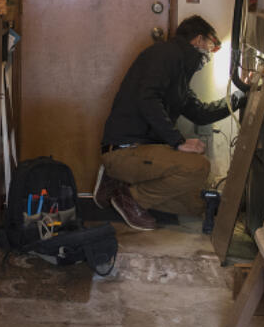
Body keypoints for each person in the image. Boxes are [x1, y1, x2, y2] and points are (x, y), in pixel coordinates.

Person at [97, 15, 236, 230]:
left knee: (196, 206)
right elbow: (147, 98)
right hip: (126, 149)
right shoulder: (165, 55)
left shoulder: (178, 73)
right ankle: (131, 198)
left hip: (144, 152)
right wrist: (178, 141)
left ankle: (117, 182)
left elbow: (199, 113)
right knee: (198, 166)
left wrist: (239, 98)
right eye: (211, 44)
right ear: (199, 39)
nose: (210, 51)